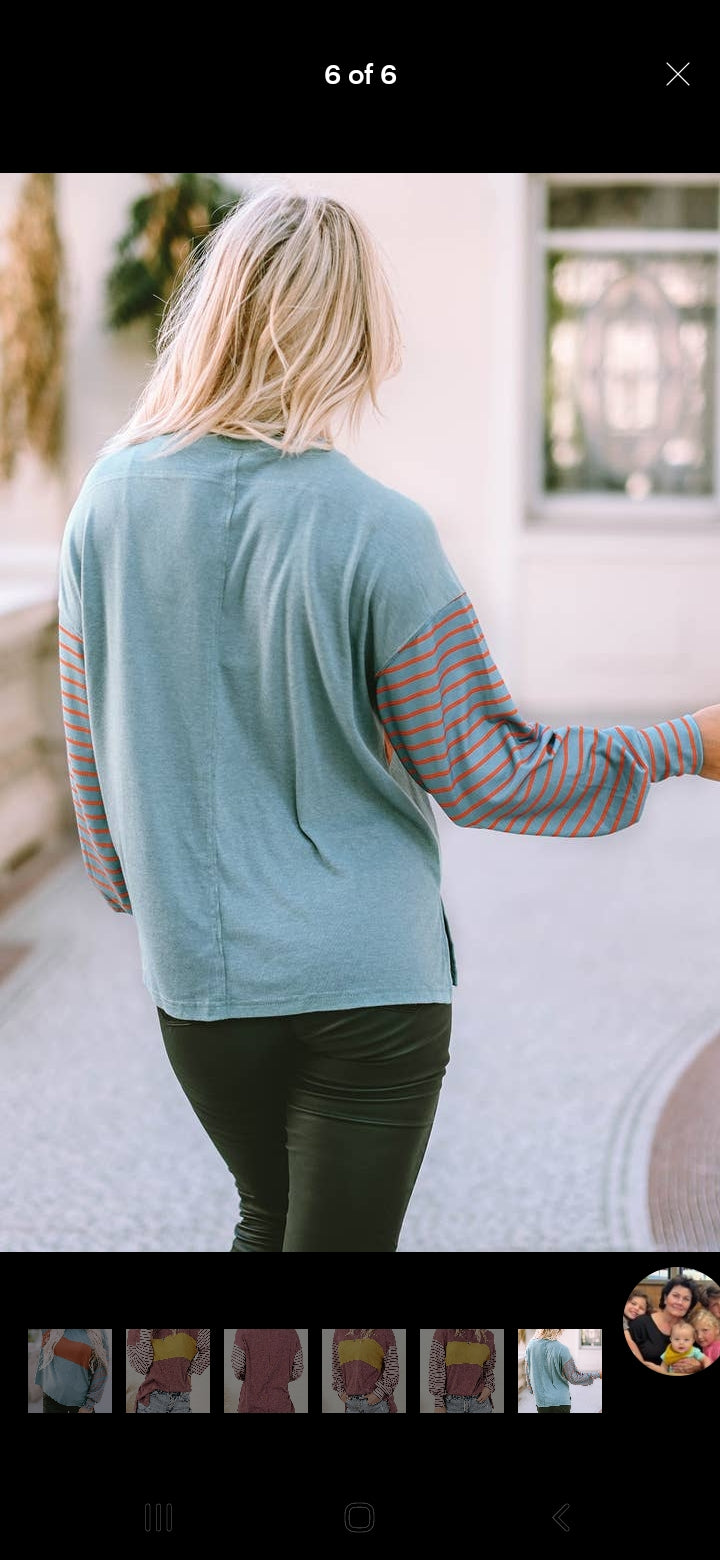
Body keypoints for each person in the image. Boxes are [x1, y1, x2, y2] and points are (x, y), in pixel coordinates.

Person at [57, 183, 720, 1256]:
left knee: (265, 1223)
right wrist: (685, 743)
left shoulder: (106, 506)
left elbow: (95, 788)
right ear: (353, 333)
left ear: (217, 310)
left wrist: (159, 894)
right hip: (369, 984)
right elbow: (483, 770)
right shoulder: (381, 531)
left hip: (199, 986)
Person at [625, 1278, 703, 1375]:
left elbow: (701, 1356)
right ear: (665, 1298)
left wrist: (699, 1365)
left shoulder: (691, 1329)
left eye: (686, 1299)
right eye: (675, 1296)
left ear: (690, 1306)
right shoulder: (640, 1323)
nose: (680, 1302)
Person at [127, 1329, 210, 1412]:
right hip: (152, 1400)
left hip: (181, 1399)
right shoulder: (137, 1331)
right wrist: (146, 1333)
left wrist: (192, 1370)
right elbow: (141, 1368)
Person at [524, 1329, 601, 1412]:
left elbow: (528, 1373)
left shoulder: (530, 1346)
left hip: (541, 1402)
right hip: (561, 1402)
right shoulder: (562, 1349)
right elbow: (574, 1378)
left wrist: (533, 1390)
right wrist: (597, 1374)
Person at [36, 1329, 110, 1413]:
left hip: (81, 1403)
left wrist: (89, 1405)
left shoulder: (97, 1333)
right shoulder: (52, 1330)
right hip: (51, 1399)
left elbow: (101, 1370)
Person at [231, 1329, 303, 1413]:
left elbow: (238, 1367)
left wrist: (249, 1377)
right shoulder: (291, 1333)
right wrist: (282, 1377)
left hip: (250, 1404)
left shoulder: (243, 1331)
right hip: (281, 1404)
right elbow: (298, 1368)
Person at [331, 1329, 399, 1412]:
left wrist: (378, 1394)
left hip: (377, 1405)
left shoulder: (383, 1331)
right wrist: (341, 1392)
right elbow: (336, 1366)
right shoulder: (340, 1332)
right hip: (351, 1405)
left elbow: (392, 1369)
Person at [429, 1328, 495, 1412]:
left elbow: (488, 1368)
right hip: (451, 1405)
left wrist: (489, 1386)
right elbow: (436, 1367)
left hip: (480, 1404)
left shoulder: (488, 1336)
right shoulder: (443, 1332)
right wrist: (438, 1402)